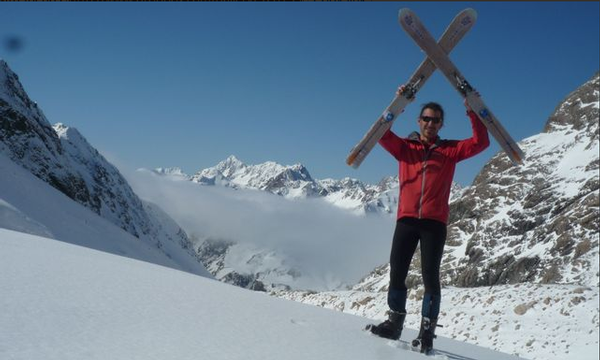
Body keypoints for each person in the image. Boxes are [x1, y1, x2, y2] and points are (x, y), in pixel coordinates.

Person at [366, 85, 490, 353]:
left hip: (434, 223)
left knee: (430, 277)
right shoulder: (405, 148)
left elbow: (481, 143)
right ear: (419, 121)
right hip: (407, 220)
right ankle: (394, 323)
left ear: (441, 123)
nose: (430, 123)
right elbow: (380, 133)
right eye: (426, 118)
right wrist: (400, 102)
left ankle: (427, 334)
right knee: (397, 271)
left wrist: (472, 108)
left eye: (435, 120)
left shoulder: (449, 151)